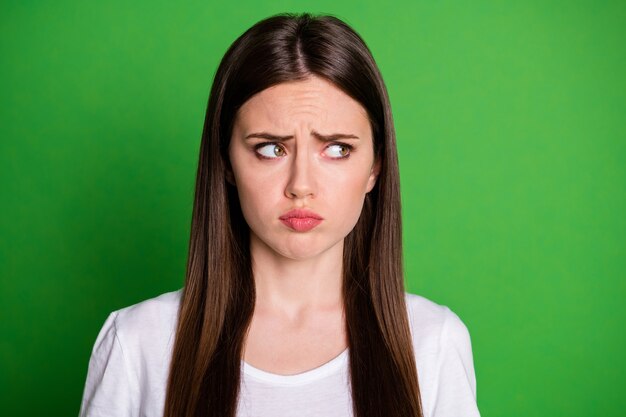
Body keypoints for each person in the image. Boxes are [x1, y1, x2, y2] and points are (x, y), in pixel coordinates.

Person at [78, 12, 480, 417]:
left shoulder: (433, 343)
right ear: (226, 163)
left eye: (337, 148)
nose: (300, 184)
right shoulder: (137, 343)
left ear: (375, 166)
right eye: (271, 148)